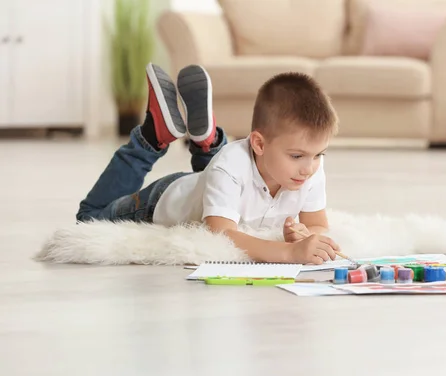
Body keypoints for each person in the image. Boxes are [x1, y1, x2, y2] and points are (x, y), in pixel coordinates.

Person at [76, 63, 340, 265]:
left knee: (219, 177)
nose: (309, 168)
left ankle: (209, 141)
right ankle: (151, 136)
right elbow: (221, 234)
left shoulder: (309, 166)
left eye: (319, 155)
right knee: (89, 218)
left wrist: (306, 234)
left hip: (208, 184)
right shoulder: (231, 166)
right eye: (297, 156)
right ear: (258, 144)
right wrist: (289, 252)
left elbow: (317, 222)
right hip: (163, 199)